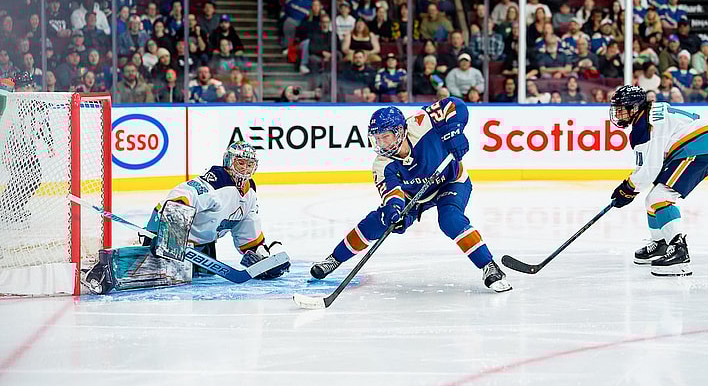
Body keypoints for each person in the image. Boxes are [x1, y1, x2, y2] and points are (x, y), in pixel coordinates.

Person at [309, 101, 512, 293]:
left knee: (450, 219)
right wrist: (394, 211)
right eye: (376, 138)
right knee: (378, 221)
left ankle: (489, 266)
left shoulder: (422, 122)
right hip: (415, 197)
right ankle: (334, 259)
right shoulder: (381, 164)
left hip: (450, 182)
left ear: (400, 131)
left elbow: (455, 105)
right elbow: (392, 193)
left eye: (385, 136)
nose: (381, 143)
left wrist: (454, 131)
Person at [608, 85, 708, 276]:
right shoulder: (648, 116)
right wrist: (629, 188)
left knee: (658, 198)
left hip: (696, 149)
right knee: (652, 200)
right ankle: (661, 244)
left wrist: (627, 188)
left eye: (621, 109)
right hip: (695, 146)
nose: (618, 114)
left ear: (634, 108)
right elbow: (647, 168)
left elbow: (649, 170)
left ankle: (679, 252)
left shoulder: (645, 126)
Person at [141, 142, 289, 279]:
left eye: (250, 165)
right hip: (164, 230)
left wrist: (262, 258)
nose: (245, 168)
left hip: (199, 247)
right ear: (229, 162)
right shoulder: (216, 182)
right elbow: (183, 194)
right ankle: (146, 245)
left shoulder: (249, 193)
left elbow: (248, 235)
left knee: (203, 278)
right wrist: (169, 236)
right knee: (157, 276)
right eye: (240, 163)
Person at [0, 72, 54, 223]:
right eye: (23, 87)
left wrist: (49, 143)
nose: (26, 90)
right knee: (18, 180)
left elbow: (44, 123)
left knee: (34, 179)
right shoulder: (9, 102)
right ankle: (6, 209)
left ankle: (12, 208)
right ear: (16, 89)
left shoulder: (36, 103)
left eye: (29, 86)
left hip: (29, 149)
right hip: (12, 149)